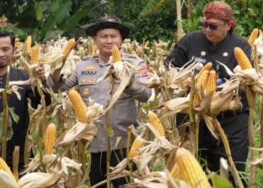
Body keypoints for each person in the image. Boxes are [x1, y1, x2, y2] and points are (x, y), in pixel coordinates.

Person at [48, 16, 151, 187]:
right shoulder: (83, 66)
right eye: (103, 36)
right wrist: (56, 73)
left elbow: (147, 95)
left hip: (125, 143)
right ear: (95, 39)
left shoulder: (135, 63)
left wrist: (127, 81)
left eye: (113, 36)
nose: (109, 40)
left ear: (121, 39)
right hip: (95, 142)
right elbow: (60, 89)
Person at [166, 1, 253, 179]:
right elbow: (169, 66)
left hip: (229, 121)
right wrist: (186, 80)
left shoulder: (240, 45)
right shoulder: (191, 40)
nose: (207, 30)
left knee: (230, 172)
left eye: (213, 26)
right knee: (194, 172)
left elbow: (246, 79)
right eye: (204, 24)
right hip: (193, 118)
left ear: (229, 25)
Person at [0, 28, 46, 172]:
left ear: (14, 50)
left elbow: (41, 103)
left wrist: (40, 81)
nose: (1, 54)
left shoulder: (24, 77)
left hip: (17, 154)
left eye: (5, 49)